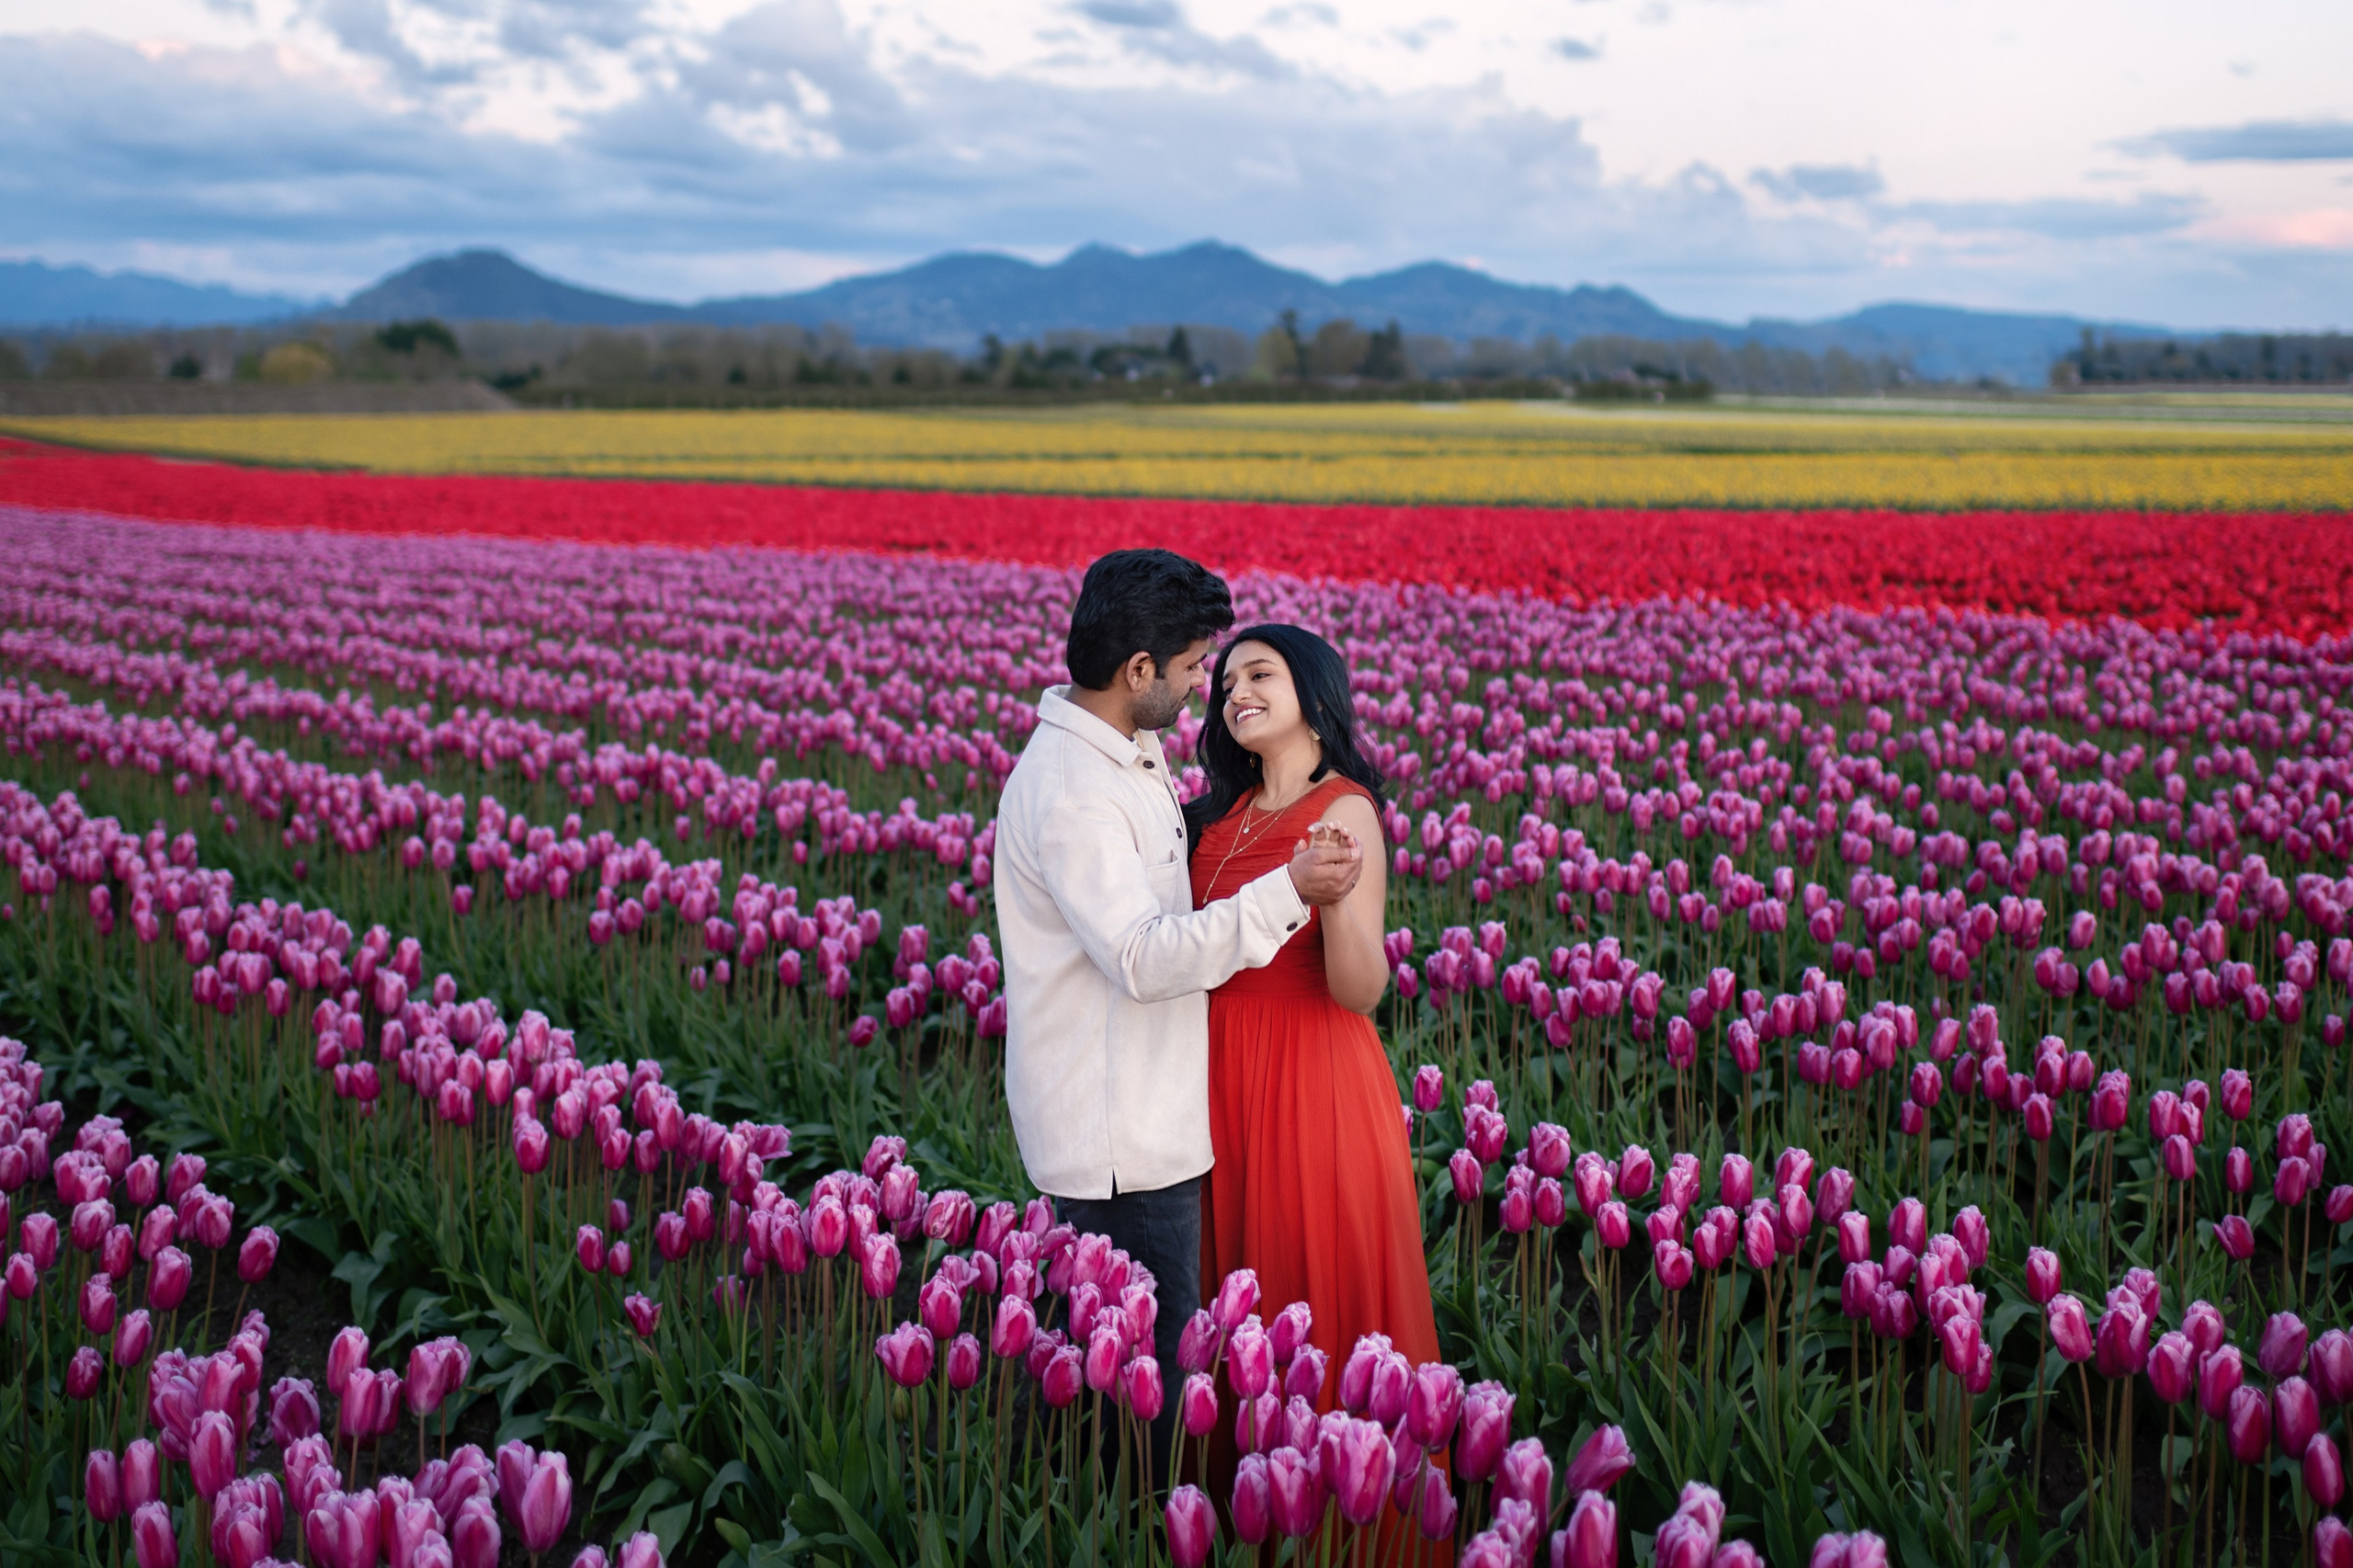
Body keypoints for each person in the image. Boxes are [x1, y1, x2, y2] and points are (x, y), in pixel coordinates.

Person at [995, 550, 1365, 1482]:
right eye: (1198, 665)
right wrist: (1286, 890)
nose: (1207, 684)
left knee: (1107, 1374)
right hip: (1122, 1143)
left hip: (1148, 1116)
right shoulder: (1077, 790)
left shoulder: (1119, 757)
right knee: (1134, 1401)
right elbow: (1141, 956)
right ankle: (1128, 1524)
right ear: (1137, 673)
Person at [1187, 622, 1449, 1563]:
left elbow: (1359, 990)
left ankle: (1340, 1518)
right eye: (1222, 682)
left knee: (1309, 1286)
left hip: (1311, 1075)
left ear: (1314, 689)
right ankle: (1246, 1509)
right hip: (1216, 1077)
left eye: (1259, 672)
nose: (1234, 691)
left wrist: (1336, 906)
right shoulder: (1215, 816)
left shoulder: (1348, 811)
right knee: (1234, 1295)